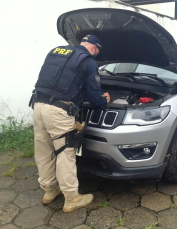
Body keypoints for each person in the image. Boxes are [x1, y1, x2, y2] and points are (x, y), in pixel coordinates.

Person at [31, 35, 110, 213]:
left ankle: (50, 191)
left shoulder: (56, 52)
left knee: (44, 150)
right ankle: (72, 198)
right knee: (65, 152)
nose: (97, 55)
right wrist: (104, 99)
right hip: (59, 112)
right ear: (95, 48)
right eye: (98, 52)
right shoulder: (88, 62)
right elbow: (94, 98)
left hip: (38, 105)